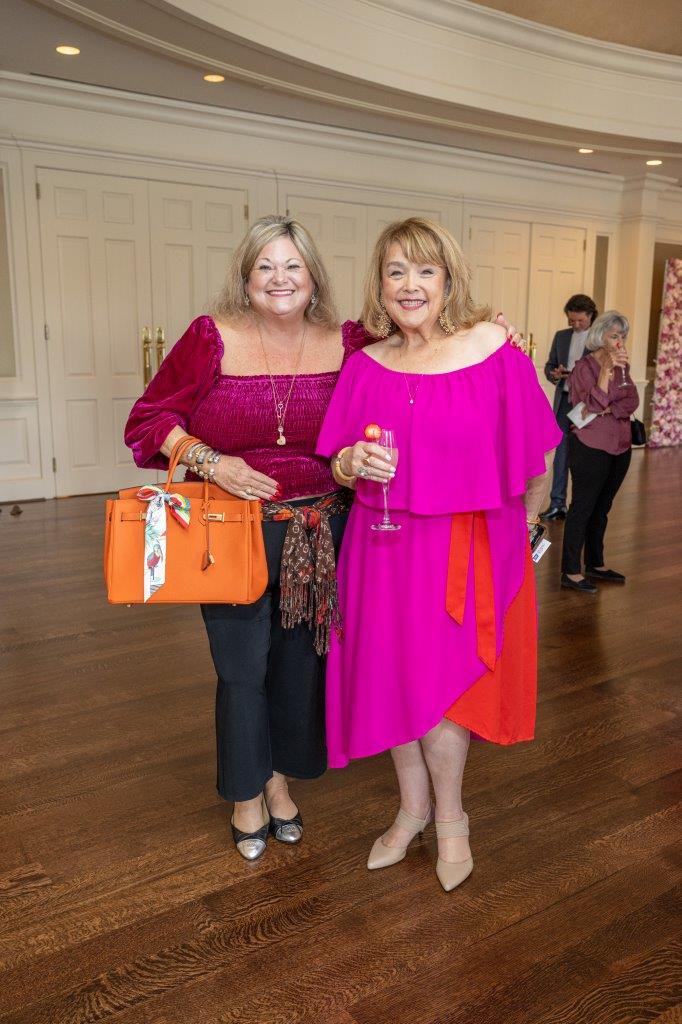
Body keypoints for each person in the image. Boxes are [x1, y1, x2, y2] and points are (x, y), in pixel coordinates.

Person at [316, 218, 561, 892]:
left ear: (449, 280)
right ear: (380, 285)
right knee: (392, 676)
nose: (411, 285)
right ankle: (410, 809)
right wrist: (348, 462)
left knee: (447, 687)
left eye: (425, 270)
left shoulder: (492, 349)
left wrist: (528, 530)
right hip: (381, 547)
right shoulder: (365, 364)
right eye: (396, 271)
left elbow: (537, 454)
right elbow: (338, 463)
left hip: (464, 547)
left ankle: (451, 818)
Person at [125, 215, 355, 860]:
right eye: (265, 267)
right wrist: (211, 461)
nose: (280, 279)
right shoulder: (210, 338)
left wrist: (490, 332)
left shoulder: (350, 341)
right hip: (230, 531)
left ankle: (278, 780)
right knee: (240, 669)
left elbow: (421, 351)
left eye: (293, 266)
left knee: (299, 666)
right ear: (245, 278)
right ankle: (246, 794)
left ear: (313, 277)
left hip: (319, 531)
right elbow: (149, 420)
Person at [560, 311, 638, 593]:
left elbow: (632, 401)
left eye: (623, 336)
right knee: (582, 508)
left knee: (602, 507)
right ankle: (570, 571)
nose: (620, 342)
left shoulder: (623, 366)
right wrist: (605, 373)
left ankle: (596, 563)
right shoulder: (584, 368)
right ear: (599, 336)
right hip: (590, 446)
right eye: (614, 335)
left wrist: (609, 408)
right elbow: (590, 407)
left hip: (621, 445)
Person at [541, 294, 598, 520]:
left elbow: (600, 374)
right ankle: (557, 504)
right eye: (571, 320)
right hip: (564, 402)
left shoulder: (598, 339)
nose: (575, 325)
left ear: (591, 316)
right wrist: (554, 374)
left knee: (583, 455)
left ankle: (582, 505)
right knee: (560, 454)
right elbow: (549, 366)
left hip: (586, 404)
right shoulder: (561, 336)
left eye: (580, 321)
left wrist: (574, 374)